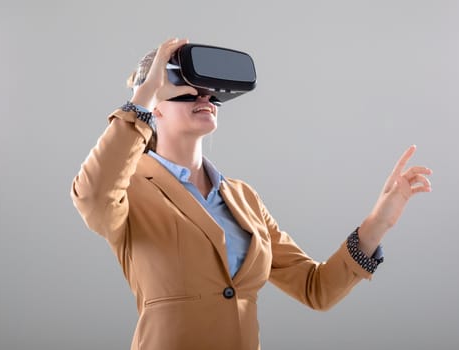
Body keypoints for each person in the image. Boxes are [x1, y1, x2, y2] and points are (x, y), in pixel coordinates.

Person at [71, 37, 432, 350]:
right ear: (156, 107)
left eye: (210, 91)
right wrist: (142, 97)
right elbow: (91, 197)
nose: (204, 97)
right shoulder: (129, 188)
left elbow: (315, 287)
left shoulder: (243, 198)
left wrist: (379, 221)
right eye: (185, 90)